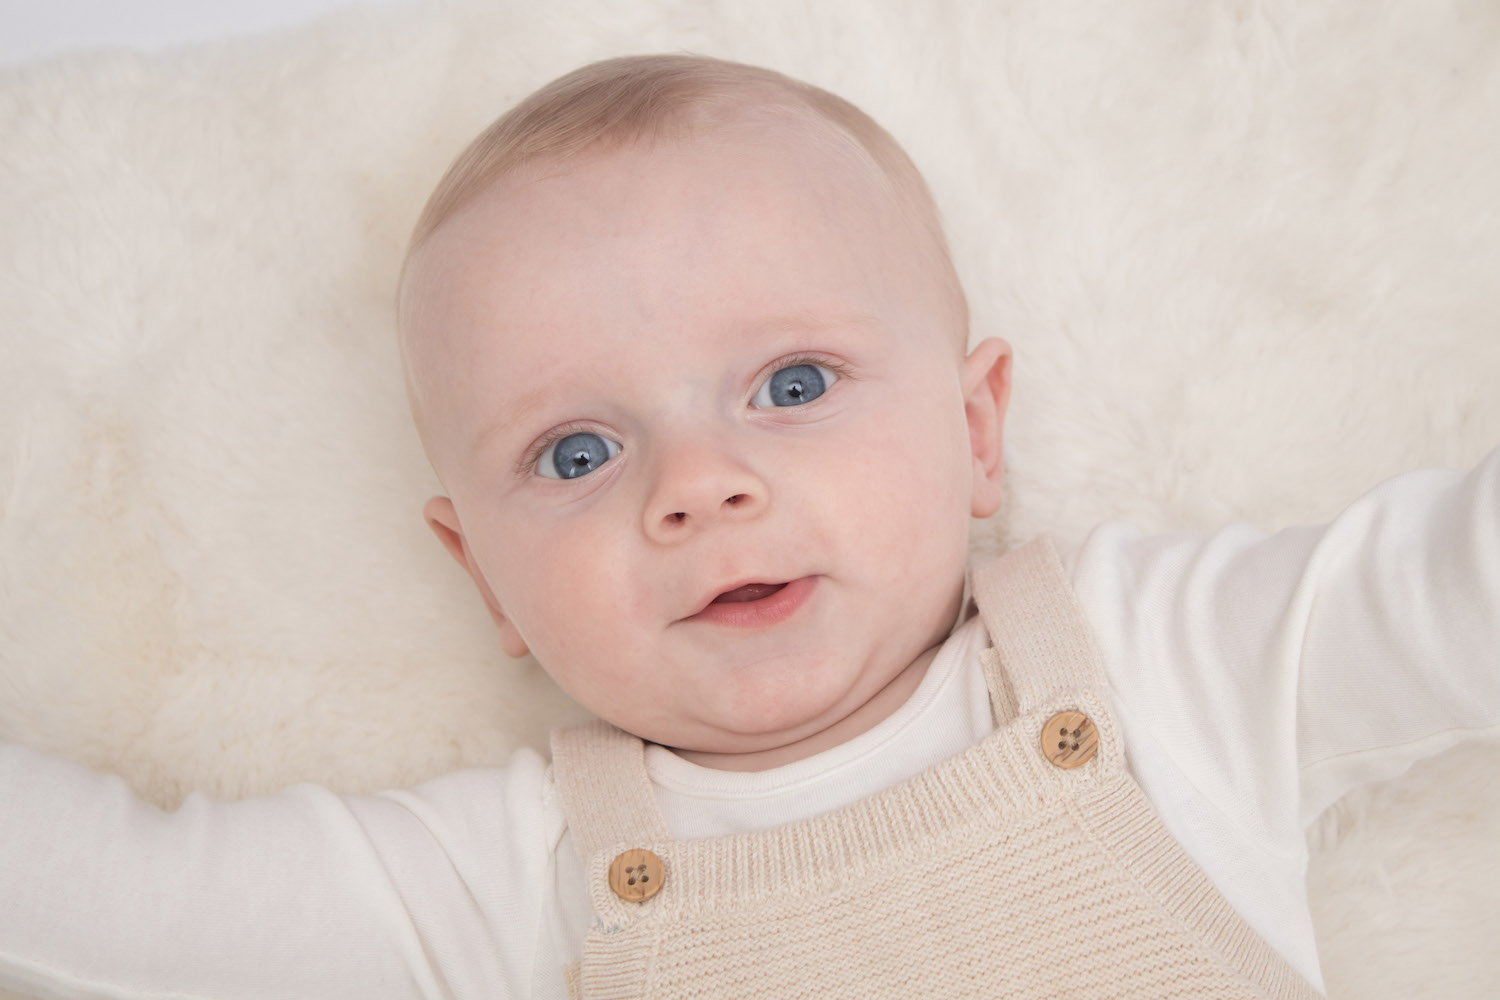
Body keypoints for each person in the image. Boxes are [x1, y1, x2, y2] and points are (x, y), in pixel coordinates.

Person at [2, 53, 1497, 999]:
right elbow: (130, 908)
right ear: (488, 580)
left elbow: (1450, 595)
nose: (698, 484)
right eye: (577, 452)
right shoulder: (518, 874)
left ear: (975, 431)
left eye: (792, 385)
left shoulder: (1158, 663)